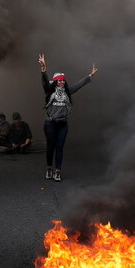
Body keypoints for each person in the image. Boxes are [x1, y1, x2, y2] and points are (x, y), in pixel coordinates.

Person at [38, 53, 98, 181]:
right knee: (50, 147)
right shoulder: (49, 91)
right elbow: (44, 81)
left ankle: (57, 171)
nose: (62, 82)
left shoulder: (68, 91)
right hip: (50, 124)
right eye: (59, 80)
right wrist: (43, 68)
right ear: (55, 82)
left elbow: (79, 84)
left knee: (59, 147)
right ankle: (49, 168)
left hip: (62, 125)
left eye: (63, 80)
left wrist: (91, 75)